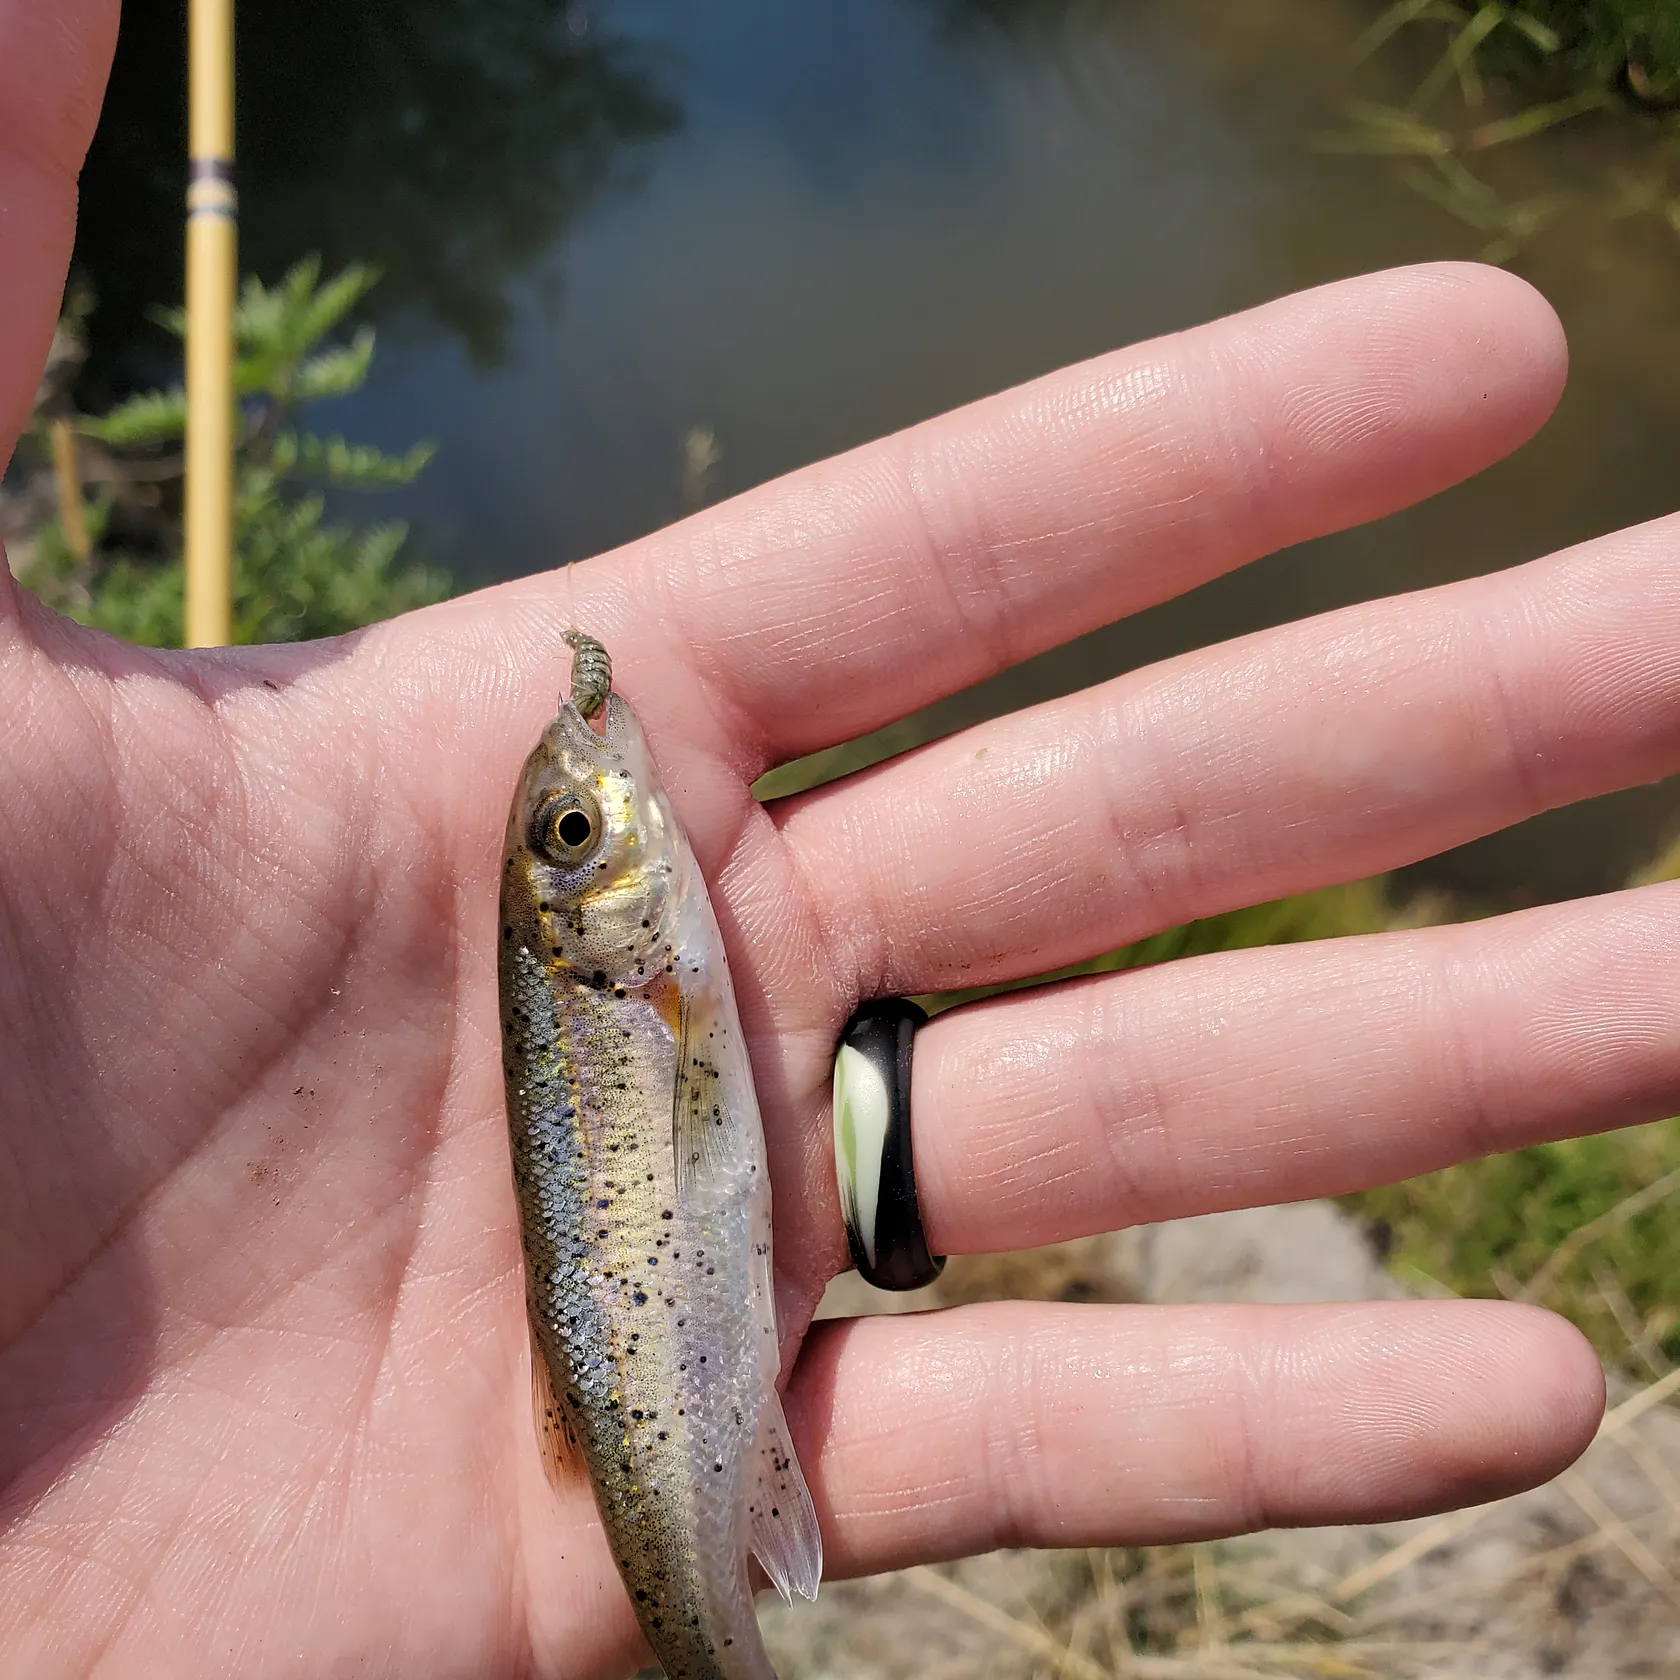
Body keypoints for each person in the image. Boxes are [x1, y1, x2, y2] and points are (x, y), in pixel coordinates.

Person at [3, 10, 1674, 1677]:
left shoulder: (637, 965)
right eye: (581, 836)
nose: (613, 817)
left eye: (576, 831)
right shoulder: (626, 981)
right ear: (589, 926)